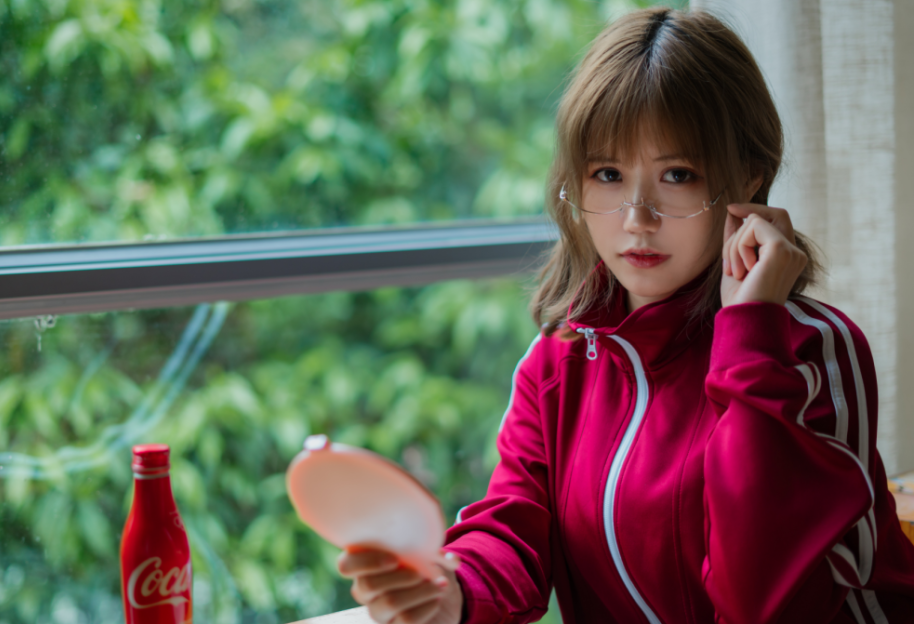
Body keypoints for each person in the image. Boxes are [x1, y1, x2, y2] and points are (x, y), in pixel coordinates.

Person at [336, 7, 914, 623]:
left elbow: (764, 603)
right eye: (608, 174)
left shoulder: (813, 349)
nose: (637, 218)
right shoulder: (557, 362)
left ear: (749, 178)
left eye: (677, 175)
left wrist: (750, 340)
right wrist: (453, 590)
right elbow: (513, 531)